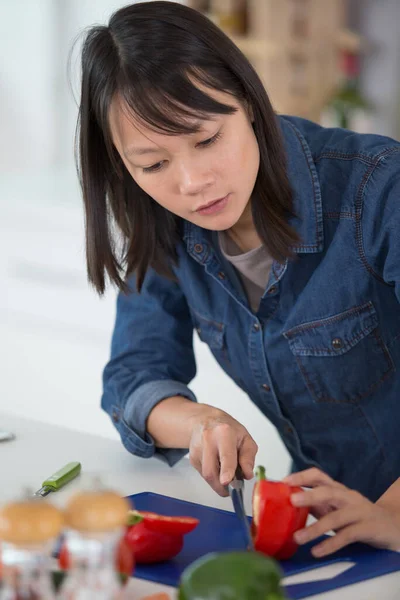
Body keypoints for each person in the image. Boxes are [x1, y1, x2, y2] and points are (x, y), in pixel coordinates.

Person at [76, 1, 400, 557]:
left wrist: (391, 514)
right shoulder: (163, 225)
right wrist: (197, 422)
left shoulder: (379, 191)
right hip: (331, 533)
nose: (193, 182)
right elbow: (132, 377)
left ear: (249, 103)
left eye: (206, 140)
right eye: (153, 164)